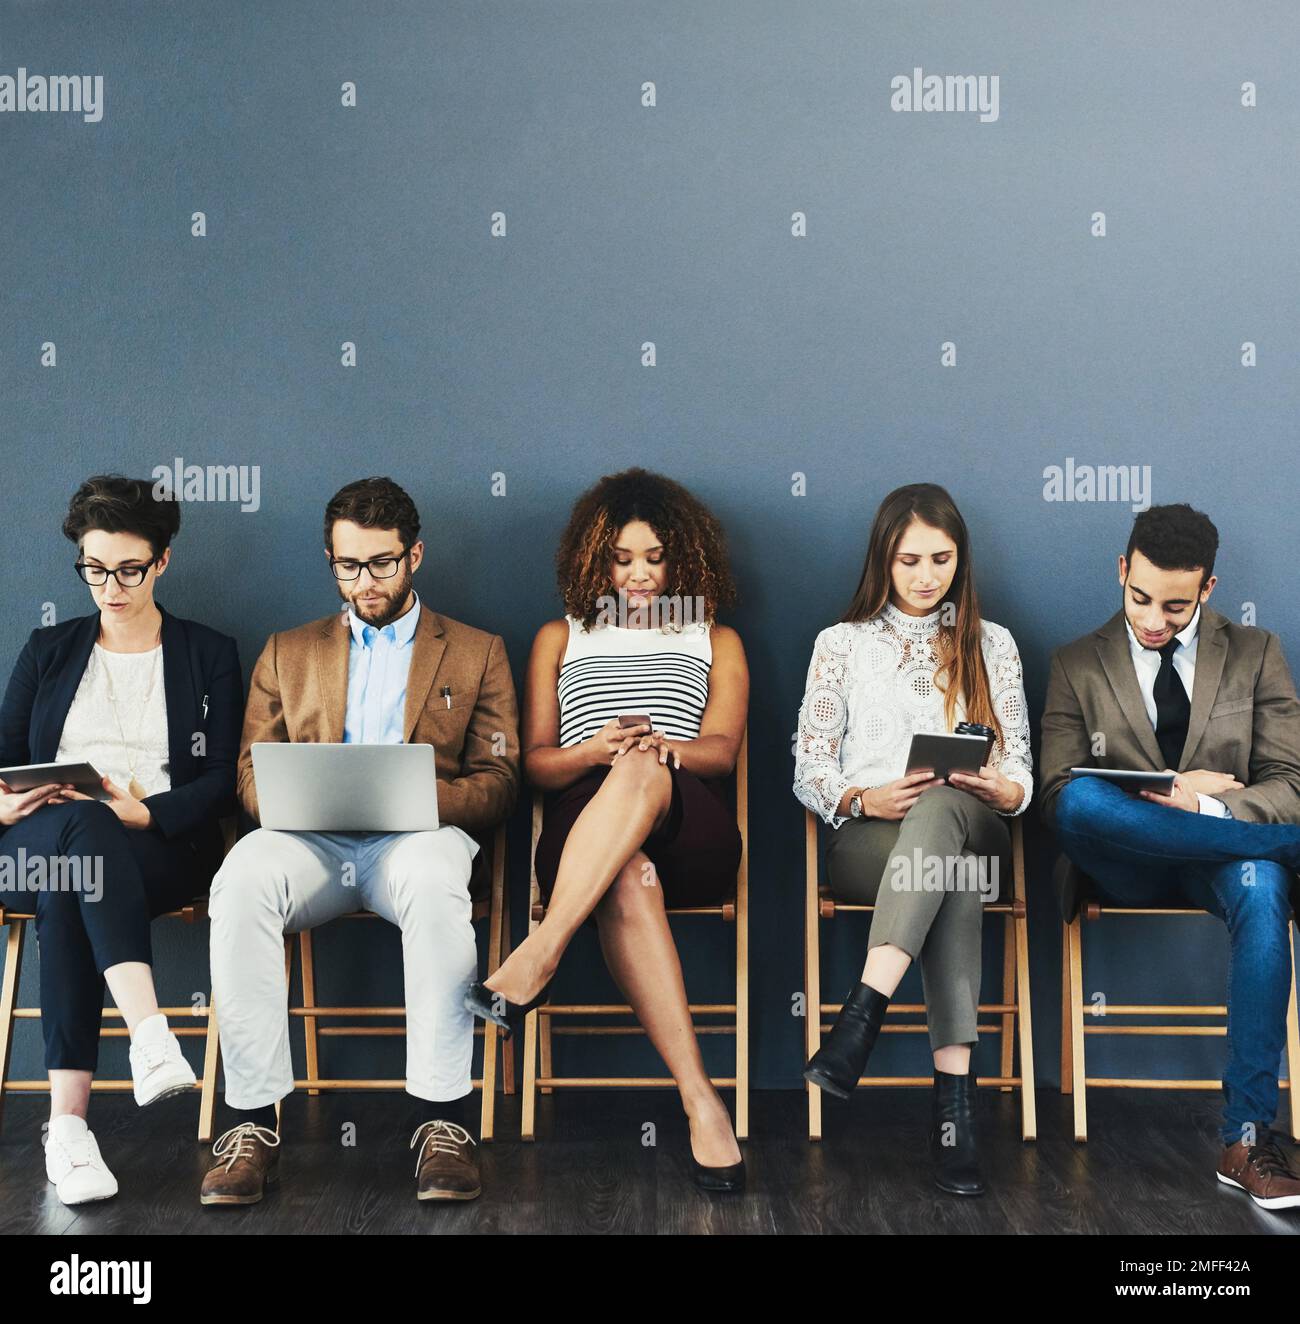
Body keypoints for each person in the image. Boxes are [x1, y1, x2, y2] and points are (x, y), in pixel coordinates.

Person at [200, 476, 518, 1206]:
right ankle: (251, 1126)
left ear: (415, 557)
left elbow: (500, 781)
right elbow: (248, 772)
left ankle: (443, 1123)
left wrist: (412, 797)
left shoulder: (476, 651)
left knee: (440, 883)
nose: (364, 581)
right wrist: (289, 799)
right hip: (310, 843)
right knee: (240, 878)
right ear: (330, 560)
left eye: (381, 563)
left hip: (419, 841)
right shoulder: (288, 651)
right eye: (348, 565)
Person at [465, 467, 747, 1192]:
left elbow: (721, 751)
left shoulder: (713, 636)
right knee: (626, 872)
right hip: (586, 825)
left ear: (685, 556)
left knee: (647, 769)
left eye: (655, 558)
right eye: (623, 559)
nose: (641, 575)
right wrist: (595, 750)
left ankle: (540, 953)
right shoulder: (561, 636)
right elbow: (535, 764)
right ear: (596, 558)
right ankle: (701, 1101)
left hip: (690, 821)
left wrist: (659, 749)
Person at [1040, 502, 1300, 1210]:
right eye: (1141, 597)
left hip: (1221, 858)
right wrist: (1177, 786)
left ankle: (1244, 1139)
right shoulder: (1075, 664)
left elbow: (1290, 781)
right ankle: (1281, 850)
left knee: (1263, 884)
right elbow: (1058, 788)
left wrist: (1207, 809)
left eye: (1177, 606)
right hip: (1123, 858)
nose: (1155, 619)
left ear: (1209, 588)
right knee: (1078, 807)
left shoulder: (1257, 653)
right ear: (1122, 571)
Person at [0, 475, 241, 1205]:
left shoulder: (208, 653)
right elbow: (4, 758)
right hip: (28, 843)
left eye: (128, 569)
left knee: (80, 868)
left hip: (154, 846)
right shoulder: (48, 648)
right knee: (79, 833)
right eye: (94, 569)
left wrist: (148, 812)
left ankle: (68, 1131)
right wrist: (7, 803)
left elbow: (225, 777)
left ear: (162, 561)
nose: (110, 587)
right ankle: (148, 1034)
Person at [794, 483, 1032, 1196]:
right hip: (872, 839)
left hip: (976, 820)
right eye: (909, 561)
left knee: (943, 818)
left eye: (941, 559)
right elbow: (808, 766)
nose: (927, 576)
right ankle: (953, 1113)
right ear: (882, 561)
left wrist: (1000, 787)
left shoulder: (993, 643)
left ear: (961, 560)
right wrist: (863, 795)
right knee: (944, 867)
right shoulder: (839, 644)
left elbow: (1020, 764)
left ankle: (860, 1017)